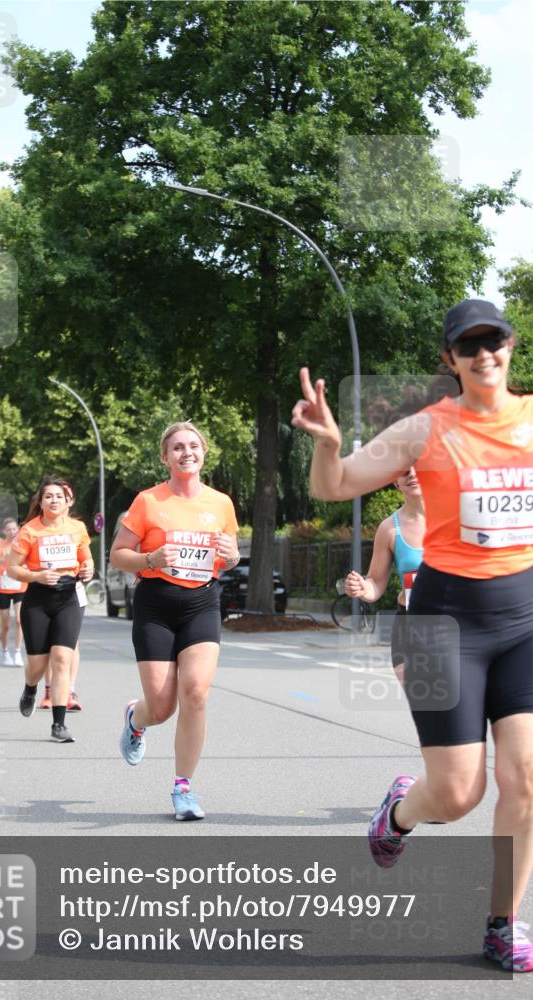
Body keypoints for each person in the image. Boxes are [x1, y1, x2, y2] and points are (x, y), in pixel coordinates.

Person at [292, 298, 533, 973]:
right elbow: (333, 485)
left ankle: (501, 922)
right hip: (439, 623)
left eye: (494, 341)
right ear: (449, 360)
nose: (484, 355)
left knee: (527, 779)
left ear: (510, 346)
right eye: (469, 346)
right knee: (457, 794)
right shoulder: (424, 431)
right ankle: (401, 810)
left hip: (524, 617)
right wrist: (327, 444)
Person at [110, 421, 240, 821]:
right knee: (162, 707)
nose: (187, 452)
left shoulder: (221, 503)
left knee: (196, 692)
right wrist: (150, 558)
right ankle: (137, 719)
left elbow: (229, 557)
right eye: (178, 447)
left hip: (202, 601)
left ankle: (183, 787)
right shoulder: (149, 501)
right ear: (165, 457)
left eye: (194, 445)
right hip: (156, 605)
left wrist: (231, 554)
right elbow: (118, 554)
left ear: (203, 453)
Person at [6, 476, 93, 743]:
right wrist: (37, 576)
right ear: (40, 502)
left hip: (69, 597)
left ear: (68, 502)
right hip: (39, 598)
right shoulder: (29, 531)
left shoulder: (77, 528)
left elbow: (86, 558)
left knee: (62, 659)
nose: (54, 500)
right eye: (48, 496)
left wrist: (88, 568)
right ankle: (30, 688)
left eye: (58, 496)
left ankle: (58, 724)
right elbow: (12, 568)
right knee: (37, 664)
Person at [344, 469, 425, 682]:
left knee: (459, 704)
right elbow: (376, 581)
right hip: (410, 622)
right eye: (405, 471)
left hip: (456, 621)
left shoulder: (455, 519)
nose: (412, 474)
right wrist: (363, 587)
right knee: (423, 701)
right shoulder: (389, 529)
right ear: (396, 481)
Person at [0, 518, 27, 666]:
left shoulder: (23, 544)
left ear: (18, 529)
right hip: (3, 587)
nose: (12, 532)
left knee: (19, 620)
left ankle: (17, 652)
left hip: (20, 586)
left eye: (14, 529)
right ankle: (5, 651)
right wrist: (3, 559)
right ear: (4, 531)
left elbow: (29, 562)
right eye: (8, 529)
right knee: (5, 625)